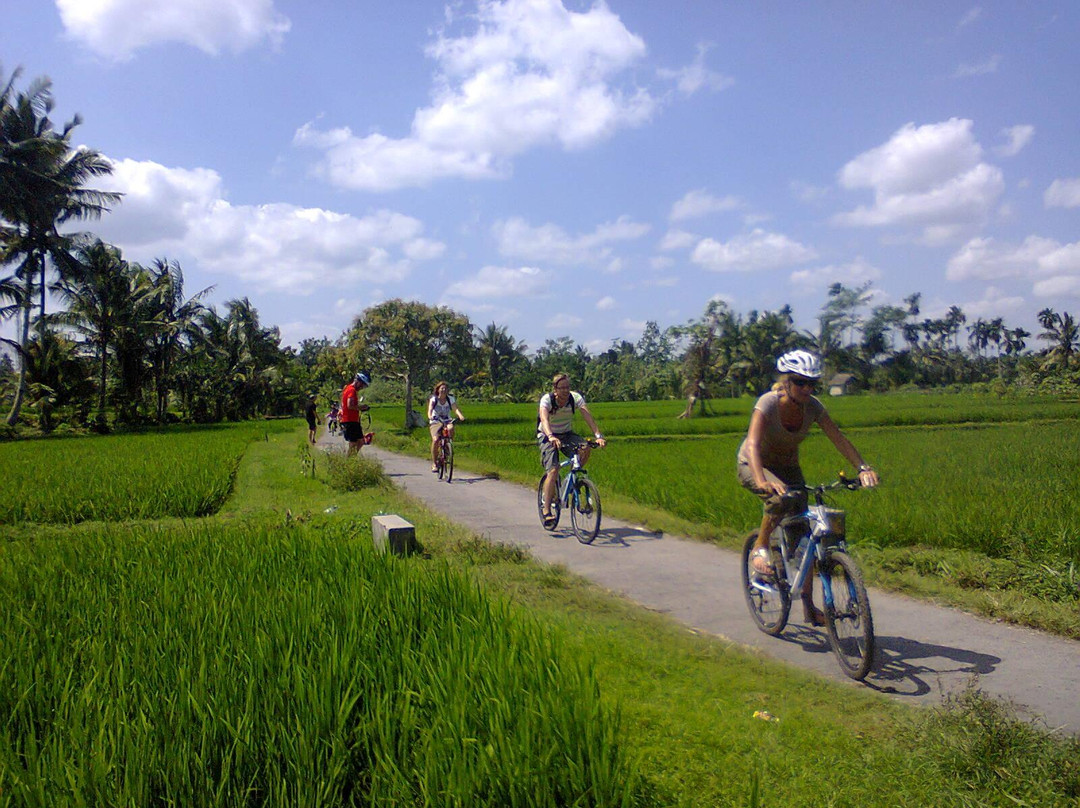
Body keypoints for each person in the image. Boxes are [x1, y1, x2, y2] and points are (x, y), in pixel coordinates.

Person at [737, 350, 879, 626]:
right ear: (787, 382)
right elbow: (753, 444)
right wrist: (763, 479)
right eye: (800, 382)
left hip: (788, 468)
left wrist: (862, 468)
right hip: (753, 463)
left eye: (812, 383)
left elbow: (838, 438)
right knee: (778, 501)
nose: (807, 388)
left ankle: (809, 609)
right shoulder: (767, 403)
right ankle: (761, 547)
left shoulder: (813, 407)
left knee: (805, 539)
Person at [537, 373, 606, 527]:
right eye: (562, 388)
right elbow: (544, 419)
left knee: (585, 447)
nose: (566, 390)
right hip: (548, 435)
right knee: (553, 470)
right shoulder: (547, 400)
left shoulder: (575, 398)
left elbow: (588, 417)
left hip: (567, 434)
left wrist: (598, 436)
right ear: (555, 389)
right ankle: (547, 509)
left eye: (568, 387)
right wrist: (551, 436)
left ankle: (574, 476)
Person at [427, 380, 466, 472]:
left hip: (447, 420)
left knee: (451, 427)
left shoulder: (450, 399)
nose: (443, 390)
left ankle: (448, 446)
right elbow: (430, 409)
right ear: (438, 390)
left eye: (445, 388)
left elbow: (455, 408)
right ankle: (434, 463)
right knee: (436, 440)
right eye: (442, 388)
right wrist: (430, 416)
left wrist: (460, 416)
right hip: (436, 421)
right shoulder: (434, 399)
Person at [341, 372, 370, 456]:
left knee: (360, 441)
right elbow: (350, 405)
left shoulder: (348, 388)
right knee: (353, 443)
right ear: (358, 382)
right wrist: (362, 407)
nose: (361, 387)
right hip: (350, 420)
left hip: (353, 420)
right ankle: (349, 460)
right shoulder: (351, 390)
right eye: (361, 385)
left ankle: (352, 458)